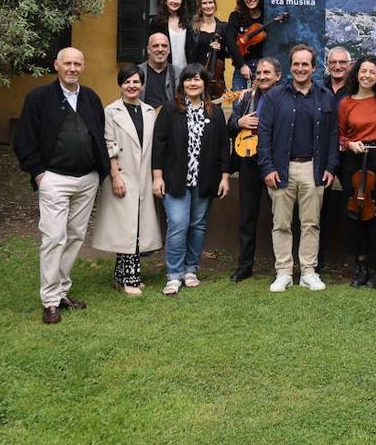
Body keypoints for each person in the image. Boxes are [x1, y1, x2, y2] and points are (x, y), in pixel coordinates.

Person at [14, 47, 109, 324]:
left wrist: (99, 172)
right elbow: (24, 139)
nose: (72, 68)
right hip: (53, 178)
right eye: (67, 63)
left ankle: (62, 291)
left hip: (87, 179)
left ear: (83, 66)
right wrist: (38, 173)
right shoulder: (39, 98)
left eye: (77, 64)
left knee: (75, 236)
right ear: (56, 65)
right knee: (54, 238)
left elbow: (99, 135)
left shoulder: (90, 98)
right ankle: (50, 300)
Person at [256, 44, 340, 292]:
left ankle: (308, 271)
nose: (300, 68)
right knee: (281, 223)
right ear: (290, 67)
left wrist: (331, 166)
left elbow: (333, 134)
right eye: (296, 64)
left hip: (313, 170)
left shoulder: (325, 97)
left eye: (305, 64)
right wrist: (267, 167)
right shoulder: (274, 96)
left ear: (314, 68)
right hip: (281, 170)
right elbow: (264, 133)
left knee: (311, 223)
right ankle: (283, 272)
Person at [151, 64, 231, 295]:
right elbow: (159, 143)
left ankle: (191, 270)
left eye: (197, 80)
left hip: (206, 178)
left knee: (198, 225)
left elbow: (223, 147)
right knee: (178, 223)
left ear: (205, 84)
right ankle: (174, 275)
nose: (193, 83)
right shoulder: (169, 109)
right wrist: (157, 177)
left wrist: (225, 177)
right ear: (182, 83)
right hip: (175, 178)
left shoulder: (214, 113)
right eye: (188, 79)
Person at [91, 65, 163, 296]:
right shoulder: (111, 112)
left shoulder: (150, 111)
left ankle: (121, 276)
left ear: (142, 85)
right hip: (122, 175)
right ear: (120, 85)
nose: (132, 86)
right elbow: (108, 145)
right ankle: (130, 278)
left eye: (136, 82)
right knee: (127, 228)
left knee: (137, 226)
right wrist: (115, 176)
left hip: (143, 175)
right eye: (127, 82)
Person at [227, 57, 282, 282]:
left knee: (280, 216)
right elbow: (229, 126)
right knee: (247, 215)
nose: (261, 77)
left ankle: (283, 267)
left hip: (275, 164)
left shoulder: (285, 99)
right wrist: (239, 123)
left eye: (267, 73)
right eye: (258, 73)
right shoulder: (245, 97)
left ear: (278, 75)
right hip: (249, 163)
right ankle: (245, 265)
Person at [338, 55, 376, 288]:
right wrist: (348, 143)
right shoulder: (346, 102)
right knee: (356, 213)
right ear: (356, 73)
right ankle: (359, 264)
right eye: (363, 71)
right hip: (354, 159)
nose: (367, 75)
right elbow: (338, 134)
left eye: (372, 72)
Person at [317, 45, 354, 271]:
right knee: (318, 208)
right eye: (333, 62)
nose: (338, 66)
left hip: (349, 154)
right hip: (322, 154)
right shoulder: (317, 87)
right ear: (327, 65)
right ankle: (316, 262)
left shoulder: (357, 89)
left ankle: (354, 262)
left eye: (342, 63)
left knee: (354, 205)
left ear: (350, 65)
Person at [226, 0, 266, 91]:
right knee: (238, 102)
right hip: (242, 65)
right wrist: (242, 65)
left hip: (263, 65)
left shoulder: (266, 16)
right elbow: (231, 43)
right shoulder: (236, 16)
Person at [187, 0, 226, 95]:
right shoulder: (193, 28)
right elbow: (189, 53)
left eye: (210, 2)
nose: (208, 6)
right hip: (197, 76)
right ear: (200, 6)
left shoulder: (222, 27)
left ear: (215, 4)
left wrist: (220, 48)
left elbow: (227, 53)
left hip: (216, 78)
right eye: (204, 3)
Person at [148, 0, 190, 76]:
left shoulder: (188, 22)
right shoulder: (156, 22)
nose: (175, 1)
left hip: (186, 72)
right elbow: (152, 48)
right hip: (164, 71)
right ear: (165, 0)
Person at [138, 32, 178, 110]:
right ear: (148, 50)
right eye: (155, 46)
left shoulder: (178, 73)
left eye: (164, 46)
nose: (160, 49)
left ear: (169, 50)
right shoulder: (136, 73)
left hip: (169, 118)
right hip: (144, 118)